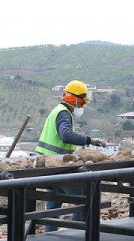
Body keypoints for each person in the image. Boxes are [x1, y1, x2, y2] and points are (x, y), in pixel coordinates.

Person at [35, 80, 105, 231]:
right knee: (80, 201)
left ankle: (50, 238)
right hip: (57, 165)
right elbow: (66, 135)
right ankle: (76, 237)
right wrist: (89, 140)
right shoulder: (64, 113)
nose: (82, 106)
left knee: (53, 206)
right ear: (74, 98)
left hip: (48, 166)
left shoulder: (58, 110)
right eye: (81, 102)